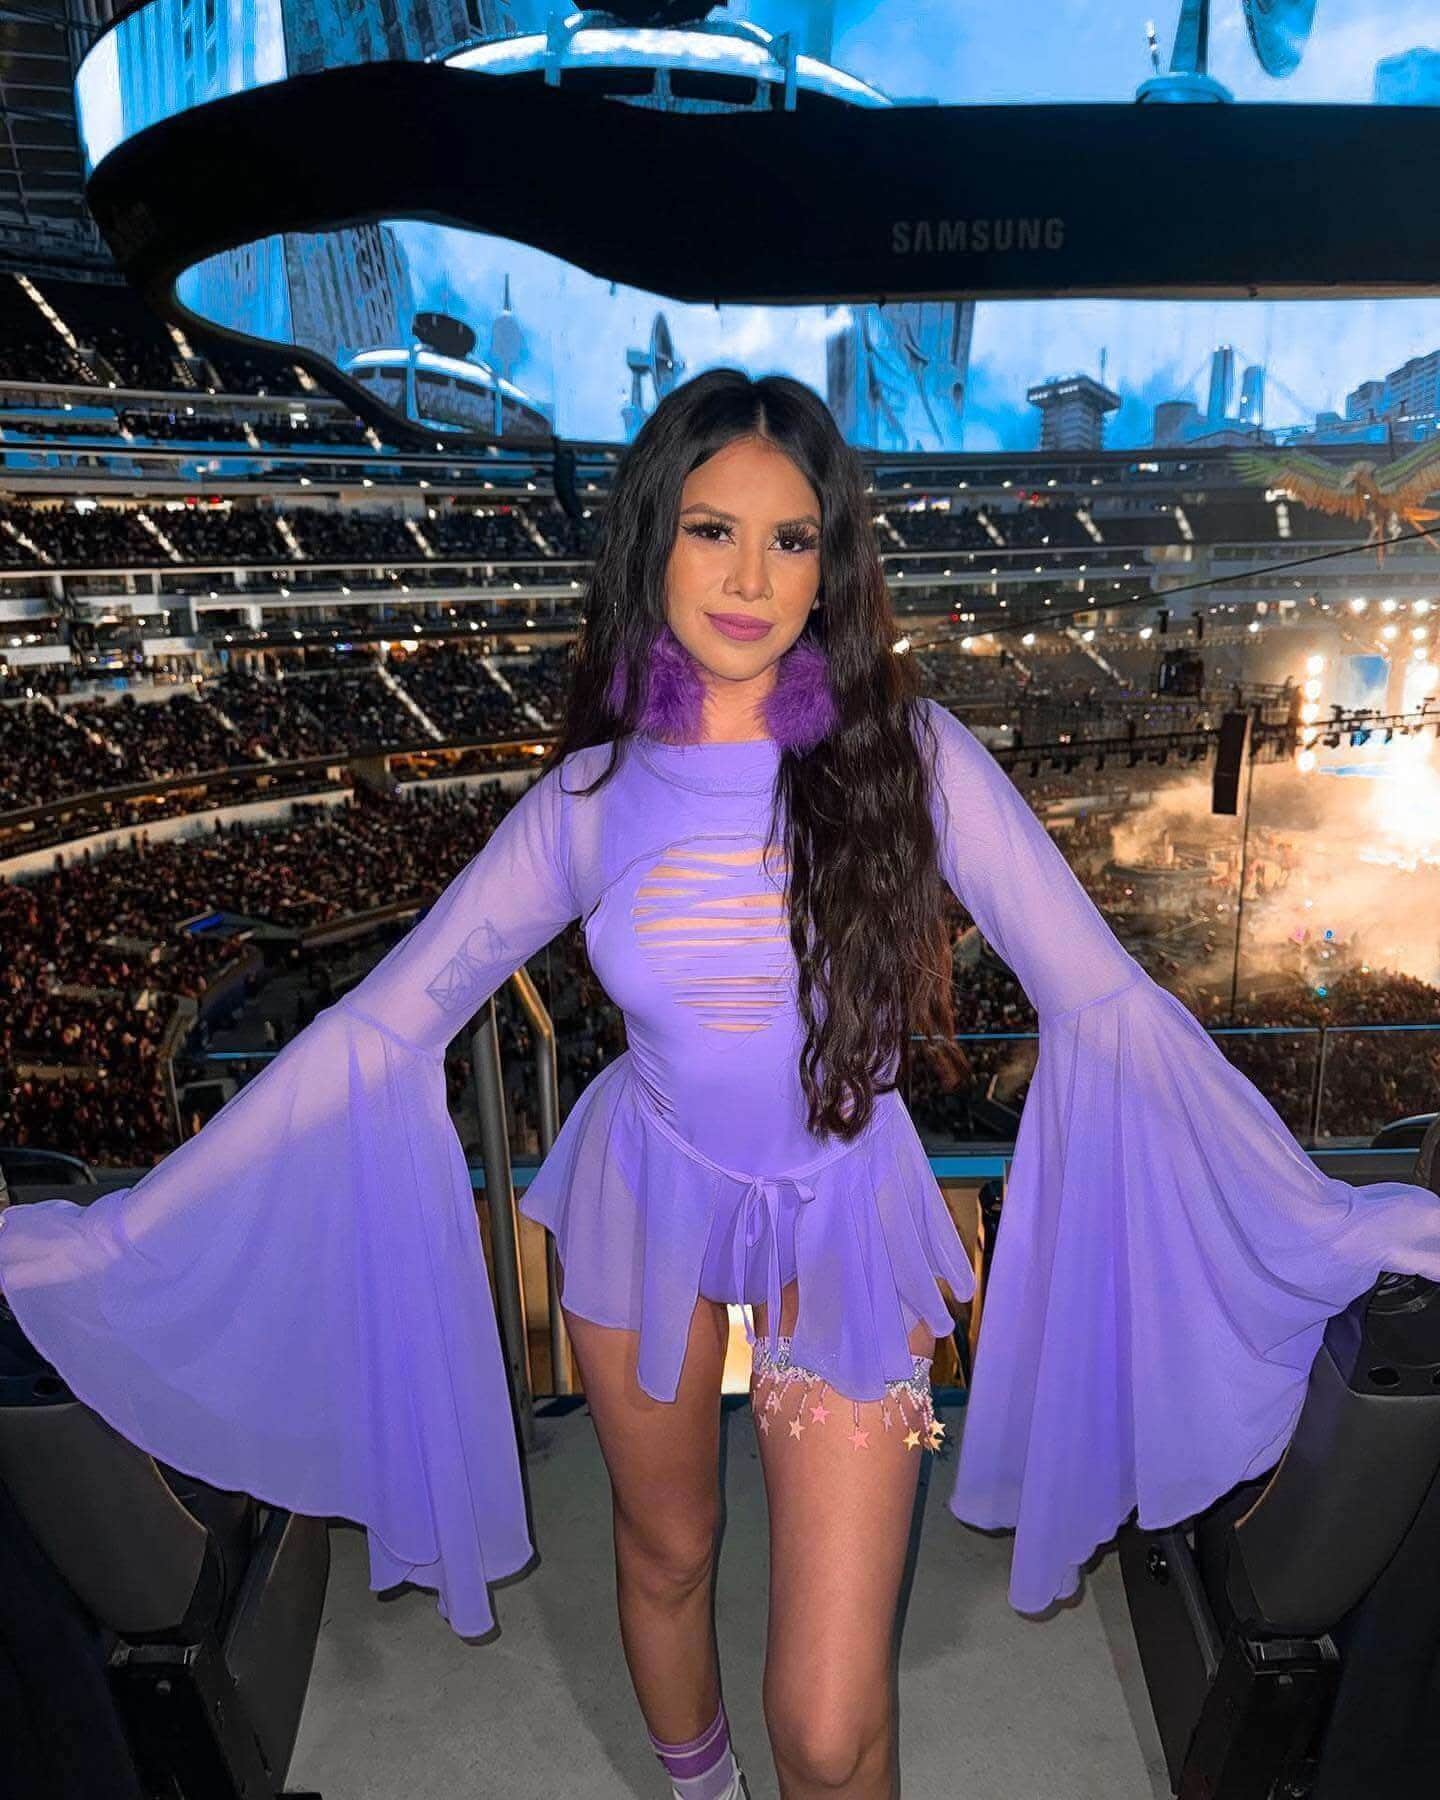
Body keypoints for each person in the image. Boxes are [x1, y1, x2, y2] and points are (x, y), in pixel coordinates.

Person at [3, 370, 1440, 1800]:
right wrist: (118, 1234)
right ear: (652, 544)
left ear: (834, 565)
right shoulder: (586, 798)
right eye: (711, 530)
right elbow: (385, 1030)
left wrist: (1320, 1213)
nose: (752, 576)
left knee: (826, 1720)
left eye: (792, 538)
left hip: (845, 1214)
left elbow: (1108, 1007)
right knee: (666, 1553)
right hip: (647, 1195)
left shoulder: (912, 757)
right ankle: (701, 1793)